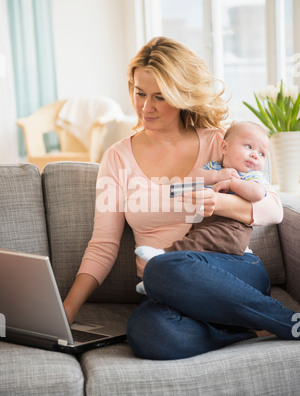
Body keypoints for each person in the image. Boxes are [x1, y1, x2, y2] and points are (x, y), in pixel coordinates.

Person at [63, 37, 296, 361]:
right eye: (139, 92)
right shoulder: (116, 158)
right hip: (168, 288)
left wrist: (224, 204)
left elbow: (274, 209)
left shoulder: (221, 143)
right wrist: (67, 310)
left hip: (233, 271)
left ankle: (284, 321)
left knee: (159, 266)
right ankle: (251, 327)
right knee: (146, 332)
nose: (146, 107)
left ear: (182, 94)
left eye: (160, 96)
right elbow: (103, 244)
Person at [135, 121, 270, 294]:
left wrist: (232, 183)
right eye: (249, 146)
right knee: (193, 250)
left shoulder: (251, 176)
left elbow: (258, 193)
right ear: (224, 147)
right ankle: (156, 283)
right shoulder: (214, 167)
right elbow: (189, 181)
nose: (255, 155)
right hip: (204, 224)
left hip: (232, 230)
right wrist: (216, 175)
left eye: (262, 154)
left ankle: (163, 255)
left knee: (197, 240)